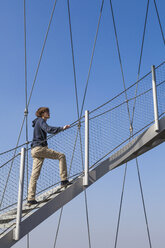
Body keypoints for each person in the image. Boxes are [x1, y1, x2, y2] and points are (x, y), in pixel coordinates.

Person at [27, 107, 71, 205]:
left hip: (34, 150)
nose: (49, 113)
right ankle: (64, 180)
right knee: (61, 156)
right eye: (47, 112)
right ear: (42, 113)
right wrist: (62, 128)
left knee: (34, 175)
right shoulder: (41, 121)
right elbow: (48, 129)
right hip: (40, 148)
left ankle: (30, 198)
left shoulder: (37, 122)